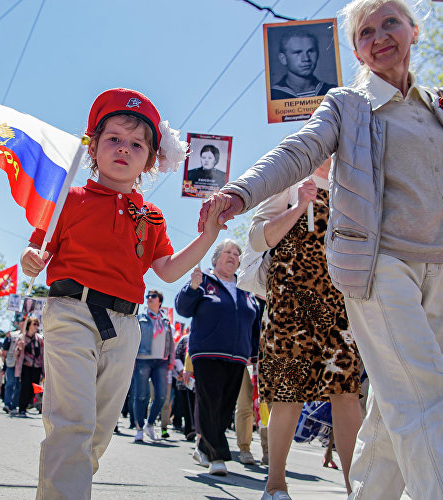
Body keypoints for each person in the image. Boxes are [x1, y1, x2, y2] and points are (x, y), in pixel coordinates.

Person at [200, 0, 443, 496]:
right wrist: (241, 191)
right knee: (429, 396)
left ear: (413, 30)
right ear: (358, 52)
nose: (380, 35)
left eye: (391, 23)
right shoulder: (347, 104)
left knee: (392, 405)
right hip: (378, 266)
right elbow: (297, 151)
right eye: (366, 31)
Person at [19, 88, 226, 499]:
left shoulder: (150, 216)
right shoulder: (68, 199)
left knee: (96, 431)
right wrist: (30, 257)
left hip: (125, 327)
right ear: (92, 146)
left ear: (151, 160)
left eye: (137, 144)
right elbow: (37, 248)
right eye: (113, 138)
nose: (124, 149)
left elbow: (167, 271)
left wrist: (209, 235)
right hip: (71, 313)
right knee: (72, 423)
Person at [247, 160, 363, 497]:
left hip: (340, 303)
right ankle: (275, 485)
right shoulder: (289, 178)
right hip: (290, 302)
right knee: (289, 390)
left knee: (346, 392)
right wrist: (298, 206)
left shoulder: (353, 183)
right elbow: (256, 238)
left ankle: (355, 489)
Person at [175, 239, 261, 477]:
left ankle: (203, 448)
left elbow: (253, 323)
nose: (233, 256)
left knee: (224, 407)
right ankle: (217, 456)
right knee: (209, 402)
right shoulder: (204, 280)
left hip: (238, 357)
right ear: (215, 258)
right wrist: (192, 287)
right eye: (228, 252)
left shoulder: (245, 287)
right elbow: (183, 309)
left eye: (236, 253)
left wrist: (253, 353)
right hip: (207, 353)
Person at [132, 289, 175, 442]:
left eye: (153, 296)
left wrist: (171, 362)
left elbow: (171, 343)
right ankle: (139, 428)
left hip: (161, 362)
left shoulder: (165, 320)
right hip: (143, 359)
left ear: (160, 301)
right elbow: (133, 338)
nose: (149, 298)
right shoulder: (140, 317)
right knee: (141, 395)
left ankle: (149, 424)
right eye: (148, 296)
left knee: (162, 396)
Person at [270, 29, 336, 100]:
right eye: (298, 52)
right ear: (283, 58)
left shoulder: (332, 92)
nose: (306, 58)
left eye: (310, 51)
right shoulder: (273, 95)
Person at [14, 317, 44, 416]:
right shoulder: (22, 338)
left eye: (37, 324)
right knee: (25, 387)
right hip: (26, 366)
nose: (36, 326)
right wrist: (19, 347)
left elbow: (42, 353)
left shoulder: (39, 338)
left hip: (37, 366)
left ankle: (26, 405)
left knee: (33, 389)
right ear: (29, 325)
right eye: (34, 324)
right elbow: (15, 354)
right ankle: (22, 408)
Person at [1, 327, 22, 414]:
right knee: (9, 384)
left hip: (22, 363)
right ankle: (7, 404)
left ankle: (14, 405)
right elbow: (5, 350)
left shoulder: (30, 335)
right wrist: (7, 338)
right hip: (11, 362)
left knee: (18, 385)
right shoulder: (13, 335)